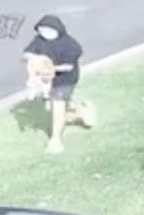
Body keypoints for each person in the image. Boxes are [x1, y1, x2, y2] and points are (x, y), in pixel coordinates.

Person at [23, 15, 93, 154]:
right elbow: (26, 54)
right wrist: (37, 60)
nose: (45, 34)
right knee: (62, 110)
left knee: (57, 107)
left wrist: (49, 68)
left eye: (49, 31)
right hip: (47, 80)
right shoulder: (39, 40)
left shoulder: (70, 45)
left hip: (64, 80)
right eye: (42, 30)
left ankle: (55, 140)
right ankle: (82, 113)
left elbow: (68, 67)